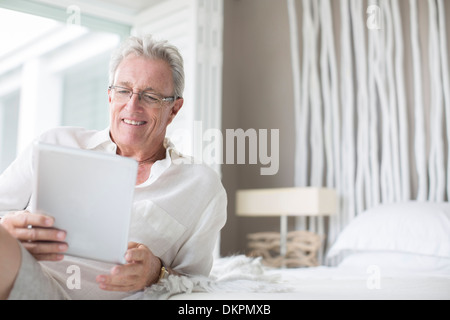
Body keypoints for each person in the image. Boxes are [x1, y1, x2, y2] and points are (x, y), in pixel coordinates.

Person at [0, 35, 227, 300]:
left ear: (174, 110)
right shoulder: (56, 143)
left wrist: (157, 272)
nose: (133, 106)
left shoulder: (201, 186)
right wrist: (9, 227)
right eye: (123, 91)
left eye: (150, 96)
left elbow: (197, 284)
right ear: (109, 95)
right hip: (21, 276)